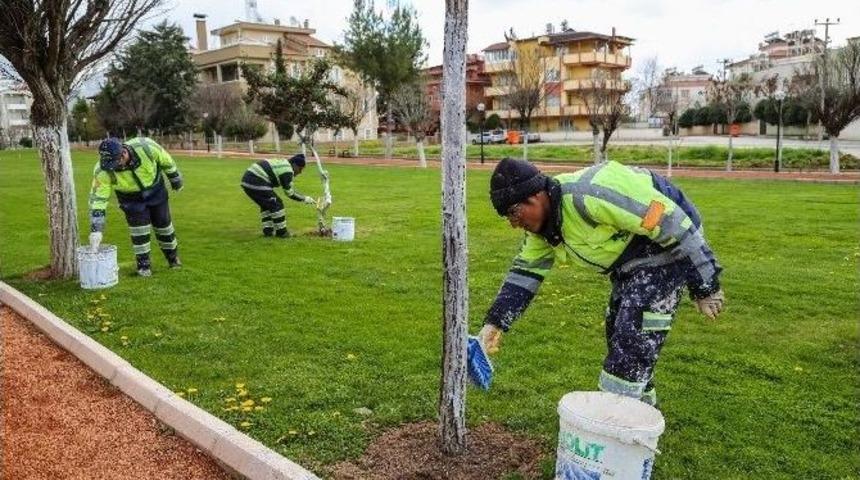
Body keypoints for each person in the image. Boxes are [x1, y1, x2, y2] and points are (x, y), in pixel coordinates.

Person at [479, 158, 725, 406]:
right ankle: (642, 413)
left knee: (633, 339)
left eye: (513, 212)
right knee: (618, 331)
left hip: (665, 244)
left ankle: (614, 422)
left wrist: (705, 284)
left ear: (535, 197)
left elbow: (672, 223)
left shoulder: (590, 196)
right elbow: (524, 274)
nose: (513, 223)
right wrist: (494, 323)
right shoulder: (543, 231)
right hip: (630, 262)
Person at [88, 137, 183, 277]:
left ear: (123, 154)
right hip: (130, 199)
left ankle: (173, 259)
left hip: (156, 190)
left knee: (164, 226)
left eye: (115, 163)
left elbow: (166, 161)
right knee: (139, 231)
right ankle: (144, 267)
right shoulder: (102, 170)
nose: (112, 167)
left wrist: (176, 180)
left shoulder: (146, 147)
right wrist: (96, 229)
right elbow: (98, 199)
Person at [240, 154, 317, 238]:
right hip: (256, 180)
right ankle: (282, 233)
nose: (300, 172)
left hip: (247, 181)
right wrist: (305, 199)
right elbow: (290, 193)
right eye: (300, 169)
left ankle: (268, 231)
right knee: (277, 204)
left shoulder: (284, 163)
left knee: (267, 205)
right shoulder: (288, 171)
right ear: (294, 165)